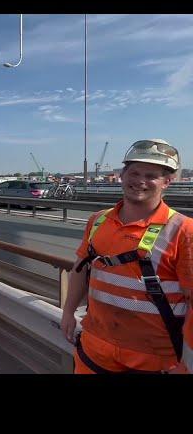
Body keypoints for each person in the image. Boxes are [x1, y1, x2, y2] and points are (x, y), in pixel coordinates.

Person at [60, 139, 193, 374]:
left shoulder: (183, 230)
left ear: (167, 182)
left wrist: (189, 364)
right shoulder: (98, 220)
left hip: (155, 360)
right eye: (134, 172)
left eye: (151, 175)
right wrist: (68, 311)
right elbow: (80, 270)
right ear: (122, 174)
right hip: (94, 351)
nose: (140, 181)